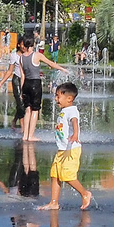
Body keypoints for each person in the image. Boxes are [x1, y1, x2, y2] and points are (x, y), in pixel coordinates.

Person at [41, 80, 93, 212]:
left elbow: (74, 121)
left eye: (58, 96)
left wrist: (76, 134)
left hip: (71, 149)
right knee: (55, 175)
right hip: (62, 149)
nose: (56, 99)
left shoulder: (72, 110)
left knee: (67, 176)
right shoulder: (65, 110)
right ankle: (54, 202)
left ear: (69, 98)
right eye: (56, 96)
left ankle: (85, 193)